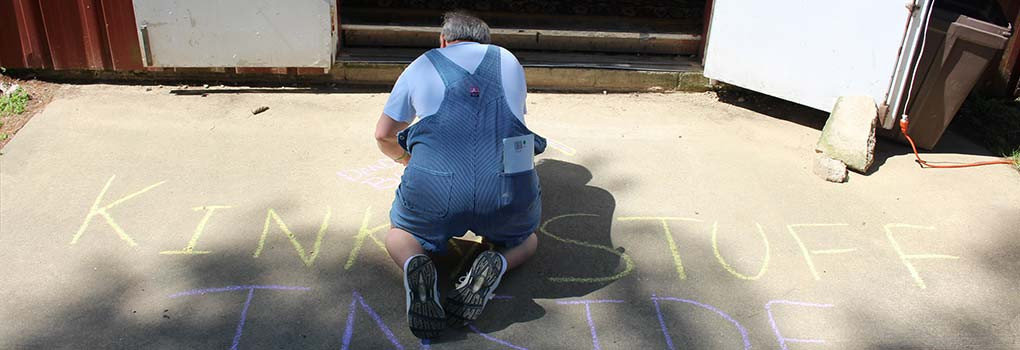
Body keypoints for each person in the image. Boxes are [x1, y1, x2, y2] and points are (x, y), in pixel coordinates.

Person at [373, 11, 546, 339]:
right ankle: (499, 262)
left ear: (443, 40)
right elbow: (514, 131)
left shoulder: (423, 64)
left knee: (399, 233)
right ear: (487, 42)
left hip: (435, 192)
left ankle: (414, 263)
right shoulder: (508, 60)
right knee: (528, 238)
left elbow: (384, 134)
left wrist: (406, 158)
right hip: (504, 192)